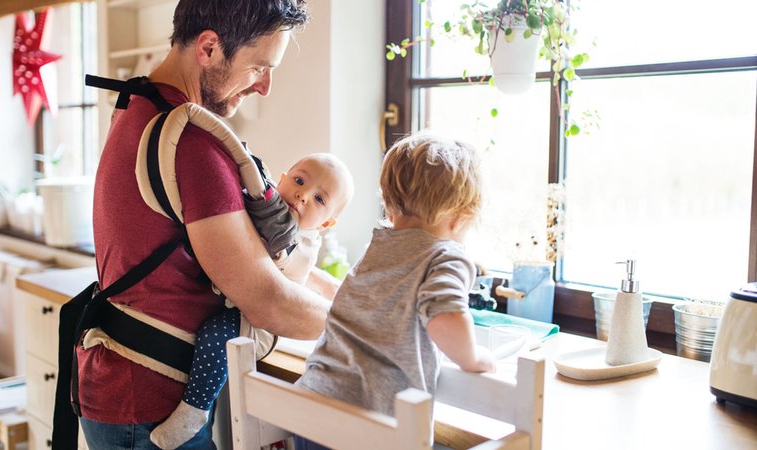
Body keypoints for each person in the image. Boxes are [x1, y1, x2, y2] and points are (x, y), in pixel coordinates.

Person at [79, 1, 331, 449]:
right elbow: (268, 302)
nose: (265, 87)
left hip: (122, 388)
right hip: (149, 407)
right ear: (210, 48)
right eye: (258, 68)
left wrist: (346, 295)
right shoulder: (193, 146)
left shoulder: (139, 105)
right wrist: (367, 325)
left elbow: (246, 260)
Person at [294, 132, 497, 450]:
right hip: (370, 424)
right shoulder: (447, 255)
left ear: (389, 208)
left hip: (310, 406)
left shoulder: (378, 246)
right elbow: (444, 319)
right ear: (460, 219)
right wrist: (475, 358)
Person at [150, 152, 355, 449]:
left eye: (319, 200)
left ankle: (194, 410)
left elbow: (284, 270)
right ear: (282, 179)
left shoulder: (297, 240)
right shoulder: (277, 216)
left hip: (258, 327)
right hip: (240, 305)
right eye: (299, 181)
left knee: (214, 335)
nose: (302, 195)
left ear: (326, 224)